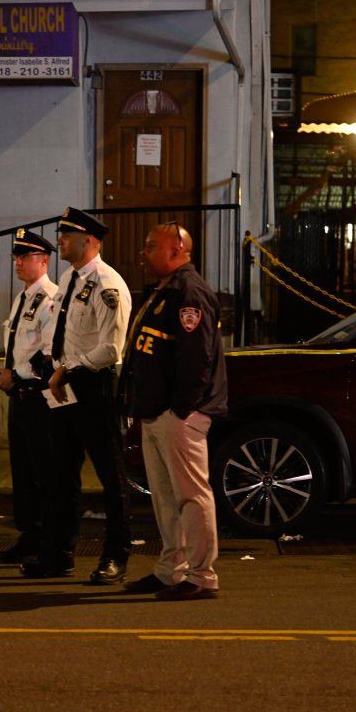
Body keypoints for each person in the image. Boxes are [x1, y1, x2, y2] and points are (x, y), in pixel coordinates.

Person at [21, 207, 133, 583]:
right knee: (60, 475)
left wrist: (67, 369)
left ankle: (115, 557)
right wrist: (49, 363)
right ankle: (58, 554)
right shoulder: (69, 277)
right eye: (59, 232)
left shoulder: (107, 284)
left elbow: (111, 349)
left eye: (66, 234)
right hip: (62, 384)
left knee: (110, 477)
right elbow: (62, 330)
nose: (59, 240)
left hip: (94, 386)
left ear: (90, 240)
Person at [120, 222, 227, 600]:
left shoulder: (189, 291)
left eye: (151, 245)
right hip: (156, 412)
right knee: (165, 498)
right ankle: (170, 571)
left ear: (177, 249)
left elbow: (198, 359)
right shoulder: (166, 288)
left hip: (178, 415)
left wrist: (181, 410)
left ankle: (200, 576)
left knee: (191, 497)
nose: (143, 252)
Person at [0, 228, 59, 563]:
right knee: (23, 472)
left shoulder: (50, 300)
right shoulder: (24, 296)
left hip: (38, 397)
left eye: (24, 256)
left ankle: (48, 538)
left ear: (43, 260)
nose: (17, 262)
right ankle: (30, 535)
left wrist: (14, 375)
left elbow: (48, 355)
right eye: (16, 256)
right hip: (19, 397)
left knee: (44, 470)